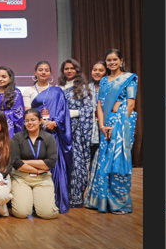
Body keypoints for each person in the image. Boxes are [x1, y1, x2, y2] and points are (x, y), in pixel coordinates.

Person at [85, 49, 138, 214]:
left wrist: (117, 126)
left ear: (121, 60)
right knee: (104, 160)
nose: (112, 63)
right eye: (109, 60)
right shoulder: (104, 81)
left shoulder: (129, 78)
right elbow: (100, 105)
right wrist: (102, 126)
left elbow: (130, 104)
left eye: (115, 59)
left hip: (122, 124)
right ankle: (103, 201)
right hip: (105, 125)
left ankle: (120, 204)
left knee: (118, 161)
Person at [23, 61, 72, 214]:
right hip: (36, 133)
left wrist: (55, 123)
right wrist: (43, 123)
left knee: (55, 165)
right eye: (40, 70)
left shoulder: (58, 91)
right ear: (35, 72)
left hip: (55, 133)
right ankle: (36, 201)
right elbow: (28, 113)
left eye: (46, 70)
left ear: (50, 73)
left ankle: (56, 200)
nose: (43, 72)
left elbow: (63, 111)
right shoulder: (28, 91)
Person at [10, 109, 60, 220]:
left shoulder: (49, 138)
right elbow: (16, 163)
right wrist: (37, 170)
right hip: (21, 178)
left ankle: (38, 204)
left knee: (47, 214)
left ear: (40, 121)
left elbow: (51, 162)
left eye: (33, 120)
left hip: (42, 178)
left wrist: (25, 162)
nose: (30, 123)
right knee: (21, 213)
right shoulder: (17, 137)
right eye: (27, 120)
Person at [58, 59, 94, 208]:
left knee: (77, 163)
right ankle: (62, 195)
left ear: (77, 70)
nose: (69, 71)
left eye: (72, 68)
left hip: (76, 131)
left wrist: (67, 114)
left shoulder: (82, 88)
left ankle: (76, 197)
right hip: (61, 130)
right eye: (66, 68)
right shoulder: (59, 88)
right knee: (62, 163)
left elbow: (87, 110)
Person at [88, 61, 107, 160]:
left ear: (106, 72)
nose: (97, 72)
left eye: (101, 70)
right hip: (90, 126)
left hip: (106, 123)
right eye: (95, 70)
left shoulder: (110, 87)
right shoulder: (86, 88)